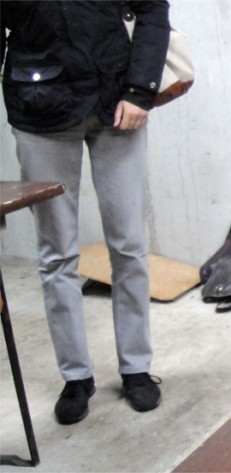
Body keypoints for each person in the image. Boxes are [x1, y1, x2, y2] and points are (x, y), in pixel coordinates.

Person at [1, 1, 169, 425]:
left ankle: (136, 368)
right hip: (40, 109)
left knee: (128, 246)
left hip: (117, 105)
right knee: (57, 255)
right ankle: (76, 377)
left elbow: (152, 9)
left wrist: (140, 91)